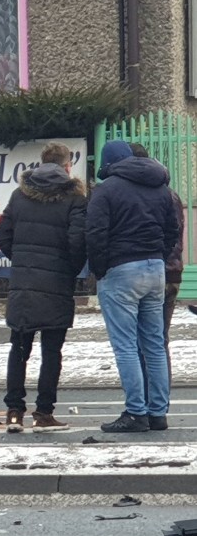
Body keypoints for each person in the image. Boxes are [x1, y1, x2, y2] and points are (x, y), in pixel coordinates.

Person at [87, 140, 180, 432]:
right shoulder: (161, 188)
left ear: (109, 163)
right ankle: (157, 413)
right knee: (154, 344)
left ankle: (136, 412)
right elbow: (172, 230)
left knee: (126, 346)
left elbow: (95, 233)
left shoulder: (106, 190)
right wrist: (158, 257)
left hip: (121, 270)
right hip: (155, 269)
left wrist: (100, 269)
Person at [0, 142, 87, 433]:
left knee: (19, 348)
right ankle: (44, 413)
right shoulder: (75, 197)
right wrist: (68, 270)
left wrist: (21, 260)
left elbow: (1, 236)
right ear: (67, 166)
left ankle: (13, 412)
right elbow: (77, 242)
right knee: (51, 351)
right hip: (57, 283)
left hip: (23, 282)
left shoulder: (19, 194)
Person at [129, 143, 185, 405]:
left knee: (148, 340)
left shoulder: (152, 195)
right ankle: (158, 398)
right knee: (157, 339)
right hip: (170, 272)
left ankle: (149, 397)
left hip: (155, 271)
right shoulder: (169, 194)